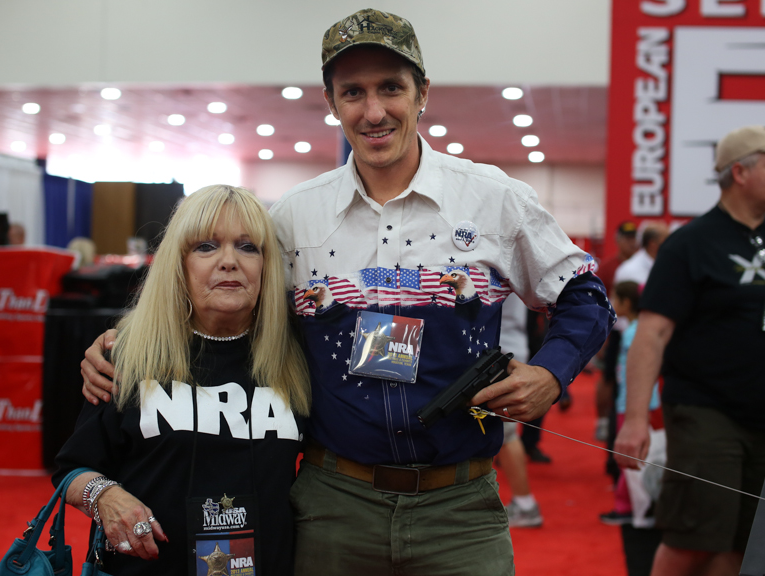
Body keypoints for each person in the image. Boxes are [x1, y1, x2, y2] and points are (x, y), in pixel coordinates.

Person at [83, 10, 614, 575]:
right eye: (353, 92)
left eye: (391, 88)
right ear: (332, 103)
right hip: (333, 506)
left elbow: (585, 296)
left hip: (459, 511)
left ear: (422, 92)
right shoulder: (293, 218)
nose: (373, 111)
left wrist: (551, 373)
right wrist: (126, 343)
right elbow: (222, 303)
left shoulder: (493, 200)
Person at [54, 185, 312, 575]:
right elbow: (71, 470)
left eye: (248, 247)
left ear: (267, 264)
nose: (229, 261)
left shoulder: (298, 356)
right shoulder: (130, 356)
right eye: (206, 247)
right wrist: (105, 496)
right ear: (179, 263)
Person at [615, 125, 765, 576]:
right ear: (740, 172)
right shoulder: (690, 244)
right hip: (706, 410)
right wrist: (636, 419)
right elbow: (652, 333)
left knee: (741, 540)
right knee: (693, 538)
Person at [599, 281, 661, 526]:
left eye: (615, 297)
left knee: (630, 455)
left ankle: (628, 506)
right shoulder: (634, 329)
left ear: (627, 302)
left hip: (632, 404)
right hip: (632, 401)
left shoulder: (634, 332)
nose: (612, 301)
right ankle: (629, 504)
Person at [497, 294, 544, 528]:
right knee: (504, 435)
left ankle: (525, 503)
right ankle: (524, 503)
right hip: (509, 345)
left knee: (505, 436)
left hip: (501, 350)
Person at [594, 220, 639, 442]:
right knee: (608, 378)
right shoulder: (608, 268)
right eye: (627, 238)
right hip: (613, 333)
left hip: (636, 333)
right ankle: (603, 422)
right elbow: (597, 303)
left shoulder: (643, 265)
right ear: (618, 240)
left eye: (633, 238)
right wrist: (601, 338)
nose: (631, 243)